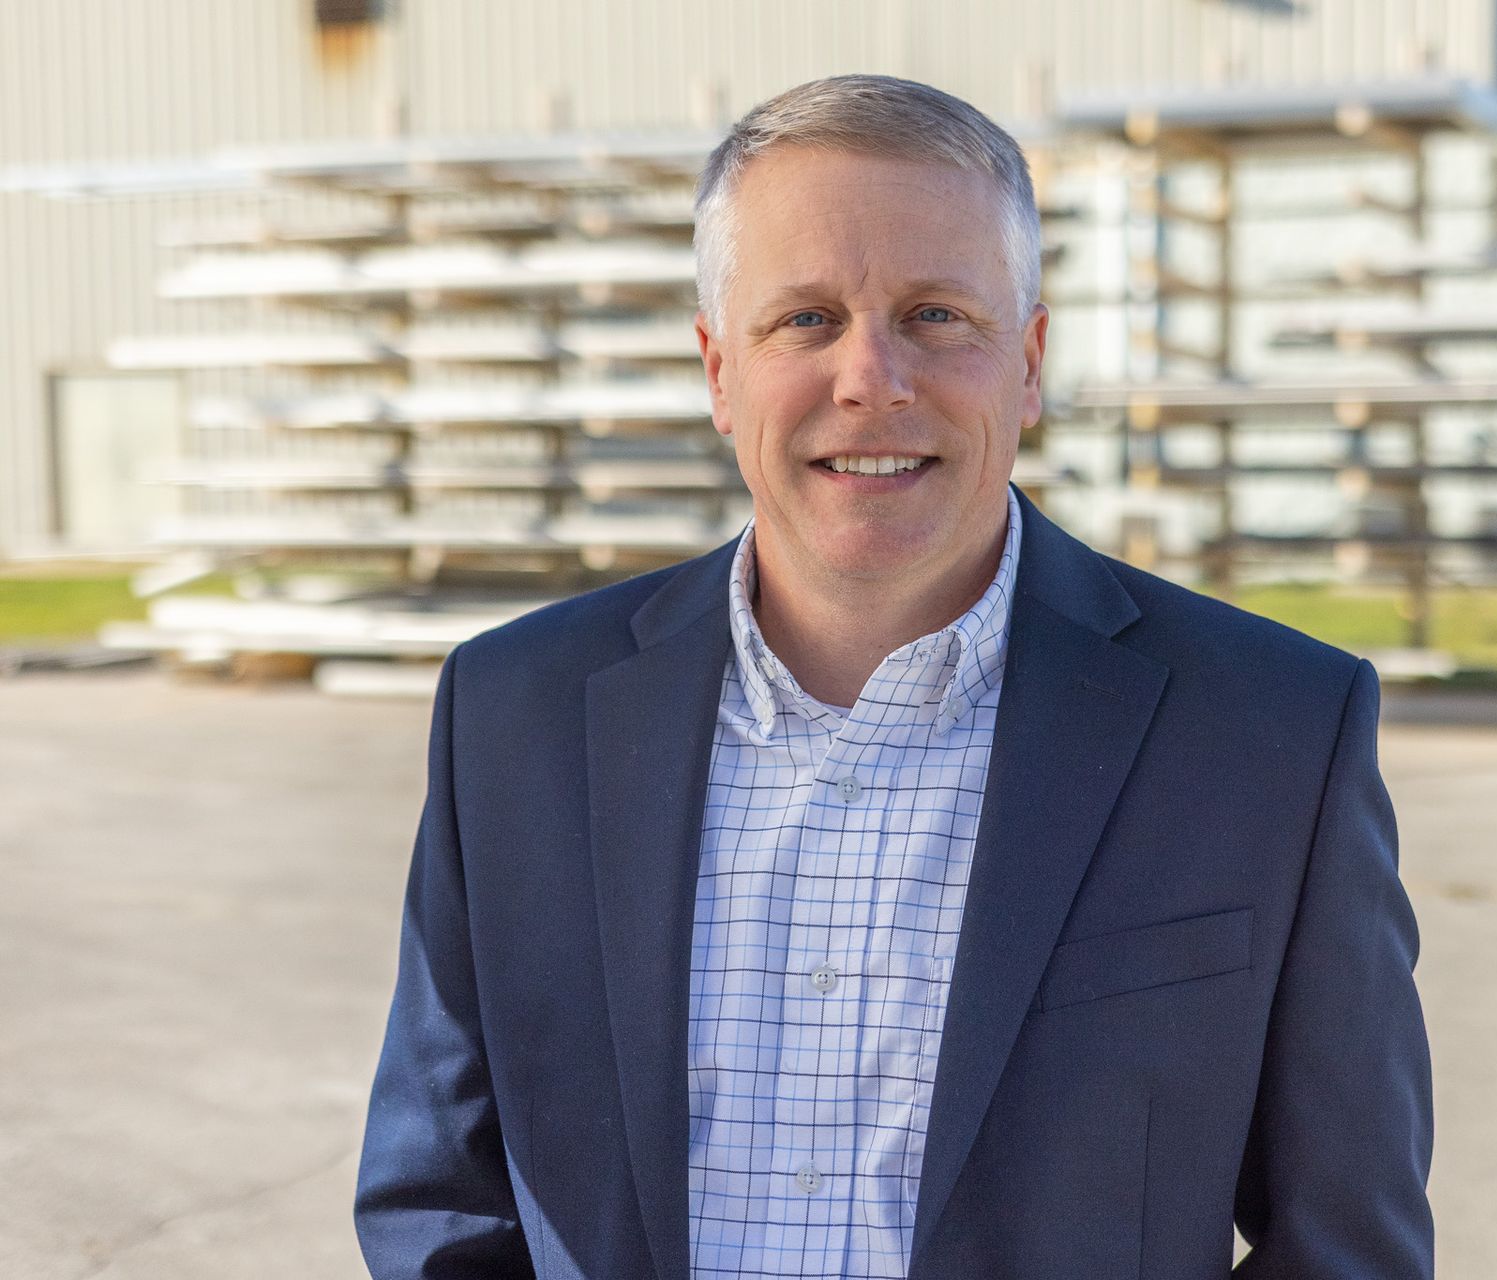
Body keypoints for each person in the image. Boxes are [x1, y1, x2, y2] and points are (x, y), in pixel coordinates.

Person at [353, 74, 1433, 1280]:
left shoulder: (1270, 734)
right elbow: (440, 1198)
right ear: (719, 371)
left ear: (1026, 364)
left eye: (935, 315)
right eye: (805, 319)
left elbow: (1345, 1245)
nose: (872, 378)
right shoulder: (515, 716)